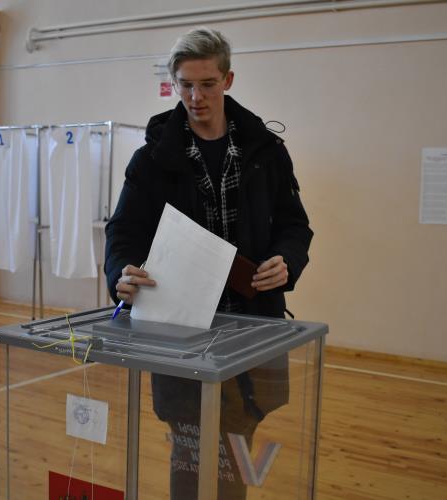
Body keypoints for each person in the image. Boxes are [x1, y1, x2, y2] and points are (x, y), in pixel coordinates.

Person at [104, 27, 312, 499]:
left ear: (228, 80)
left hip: (251, 326)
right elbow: (123, 232)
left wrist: (286, 260)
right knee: (191, 447)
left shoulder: (267, 152)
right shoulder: (150, 160)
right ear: (174, 83)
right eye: (185, 85)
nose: (195, 97)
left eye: (207, 84)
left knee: (235, 445)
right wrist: (122, 271)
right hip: (180, 329)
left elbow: (295, 225)